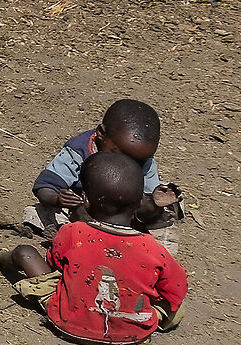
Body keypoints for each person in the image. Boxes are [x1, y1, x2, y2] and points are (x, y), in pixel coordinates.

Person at [0, 150, 188, 345]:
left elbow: (54, 265)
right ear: (140, 201)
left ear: (85, 200)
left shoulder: (73, 233)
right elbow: (177, 289)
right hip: (131, 338)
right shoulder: (153, 248)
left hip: (67, 324)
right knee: (177, 309)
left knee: (25, 253)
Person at [19, 96, 180, 240]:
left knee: (165, 218)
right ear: (101, 134)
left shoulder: (145, 161)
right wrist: (58, 199)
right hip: (84, 212)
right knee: (42, 213)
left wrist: (154, 203)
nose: (128, 164)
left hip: (125, 217)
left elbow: (145, 203)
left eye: (138, 161)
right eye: (118, 155)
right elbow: (45, 186)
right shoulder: (78, 152)